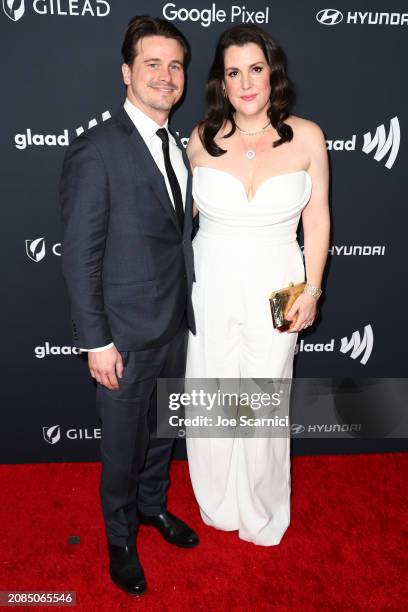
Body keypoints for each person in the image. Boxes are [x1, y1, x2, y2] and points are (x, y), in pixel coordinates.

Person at [60, 16, 198, 597]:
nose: (165, 76)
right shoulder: (97, 151)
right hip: (122, 335)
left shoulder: (182, 144)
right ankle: (119, 539)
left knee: (162, 435)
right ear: (126, 73)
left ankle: (152, 508)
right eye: (152, 64)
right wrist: (96, 341)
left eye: (175, 65)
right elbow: (79, 257)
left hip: (175, 327)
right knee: (121, 448)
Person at [185, 24, 330, 546]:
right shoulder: (199, 138)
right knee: (212, 389)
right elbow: (177, 222)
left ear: (272, 74)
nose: (245, 83)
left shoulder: (308, 136)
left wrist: (311, 291)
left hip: (278, 286)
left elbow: (317, 220)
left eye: (255, 69)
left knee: (265, 398)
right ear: (221, 83)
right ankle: (218, 501)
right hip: (211, 284)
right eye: (232, 72)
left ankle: (262, 507)